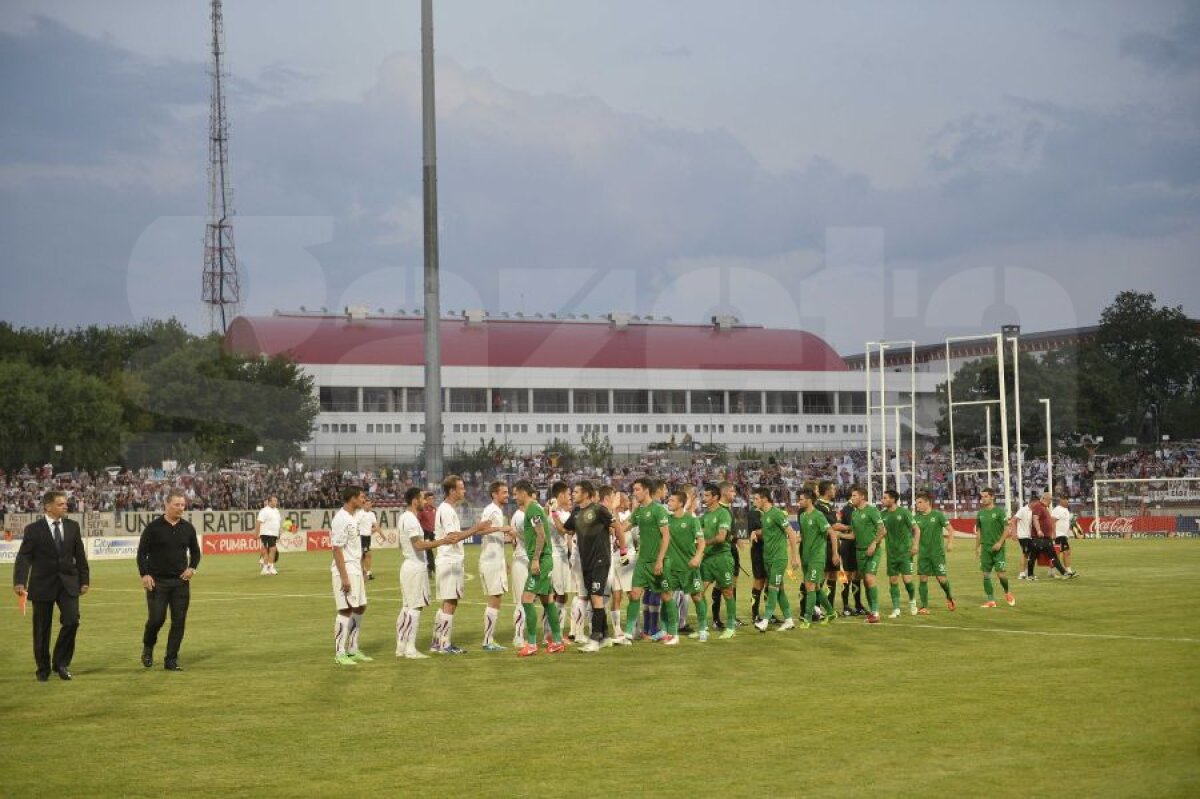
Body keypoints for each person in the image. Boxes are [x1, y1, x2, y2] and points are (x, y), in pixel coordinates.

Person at [12, 490, 89, 681]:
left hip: (68, 583)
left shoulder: (73, 526)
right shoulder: (33, 529)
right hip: (42, 584)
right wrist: (20, 581)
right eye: (61, 504)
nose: (66, 506)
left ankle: (61, 663)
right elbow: (24, 557)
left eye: (65, 503)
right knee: (41, 629)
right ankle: (43, 668)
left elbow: (80, 555)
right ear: (48, 507)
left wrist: (85, 580)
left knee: (72, 620)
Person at [395, 487, 466, 660]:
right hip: (415, 566)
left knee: (406, 608)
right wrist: (442, 541)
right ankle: (410, 649)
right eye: (422, 498)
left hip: (409, 565)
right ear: (414, 500)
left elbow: (403, 544)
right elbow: (418, 545)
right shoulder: (411, 519)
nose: (425, 501)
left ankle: (401, 646)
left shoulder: (404, 517)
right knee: (414, 608)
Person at [432, 474, 498, 654]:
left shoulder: (448, 509)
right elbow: (453, 537)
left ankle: (437, 641)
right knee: (450, 601)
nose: (464, 491)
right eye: (461, 488)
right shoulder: (446, 510)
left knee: (448, 600)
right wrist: (477, 528)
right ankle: (444, 644)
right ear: (452, 491)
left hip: (450, 560)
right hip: (449, 560)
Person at [137, 489, 201, 671]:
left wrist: (192, 568)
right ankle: (148, 647)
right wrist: (145, 574)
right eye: (177, 505)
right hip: (157, 582)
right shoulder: (153, 528)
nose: (181, 508)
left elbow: (196, 552)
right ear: (166, 505)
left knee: (179, 621)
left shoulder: (188, 528)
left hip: (180, 583)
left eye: (183, 505)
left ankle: (171, 660)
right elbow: (141, 553)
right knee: (156, 619)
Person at [566, 481, 624, 653]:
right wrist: (552, 513)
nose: (573, 494)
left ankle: (594, 639)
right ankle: (605, 636)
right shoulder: (576, 512)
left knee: (596, 597)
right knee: (593, 598)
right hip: (586, 561)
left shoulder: (599, 510)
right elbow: (566, 529)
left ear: (586, 494)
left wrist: (624, 549)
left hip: (601, 560)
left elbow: (618, 527)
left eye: (576, 491)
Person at [615, 477, 674, 645]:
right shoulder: (639, 511)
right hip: (642, 561)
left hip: (657, 560)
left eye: (637, 490)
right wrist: (613, 510)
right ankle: (627, 634)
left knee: (665, 595)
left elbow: (666, 536)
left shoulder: (658, 510)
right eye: (634, 490)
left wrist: (660, 560)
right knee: (634, 595)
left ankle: (671, 632)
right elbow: (621, 528)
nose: (635, 493)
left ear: (647, 490)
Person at [515, 480, 565, 656]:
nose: (515, 497)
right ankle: (557, 641)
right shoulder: (534, 509)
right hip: (543, 560)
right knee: (547, 600)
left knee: (527, 599)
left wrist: (535, 559)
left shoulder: (533, 509)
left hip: (541, 561)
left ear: (523, 493)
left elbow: (541, 535)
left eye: (516, 493)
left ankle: (532, 643)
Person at [331, 485, 372, 666]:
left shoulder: (353, 518)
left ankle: (353, 648)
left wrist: (362, 569)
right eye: (361, 497)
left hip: (355, 568)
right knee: (346, 610)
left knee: (361, 607)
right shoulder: (341, 518)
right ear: (352, 498)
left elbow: (354, 548)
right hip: (345, 570)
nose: (363, 500)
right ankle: (340, 653)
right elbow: (337, 549)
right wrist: (344, 577)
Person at [751, 486, 801, 632]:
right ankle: (789, 620)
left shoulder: (777, 514)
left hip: (778, 558)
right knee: (779, 590)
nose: (754, 501)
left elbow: (791, 534)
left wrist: (794, 557)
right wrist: (755, 532)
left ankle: (765, 621)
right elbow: (767, 531)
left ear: (765, 499)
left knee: (772, 588)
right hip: (768, 558)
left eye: (756, 499)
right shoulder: (764, 515)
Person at [664, 488, 707, 642]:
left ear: (681, 503)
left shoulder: (691, 520)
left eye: (672, 500)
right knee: (668, 597)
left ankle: (702, 629)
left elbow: (701, 543)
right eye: (668, 500)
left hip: (689, 567)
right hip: (671, 568)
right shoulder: (666, 520)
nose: (669, 502)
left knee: (696, 597)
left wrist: (697, 557)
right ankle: (673, 633)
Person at [477, 481, 516, 652]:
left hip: (495, 559)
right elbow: (480, 530)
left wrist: (504, 561)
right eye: (504, 492)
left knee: (496, 598)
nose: (507, 495)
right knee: (494, 598)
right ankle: (487, 640)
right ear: (494, 494)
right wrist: (502, 528)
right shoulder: (491, 510)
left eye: (507, 492)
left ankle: (489, 639)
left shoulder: (496, 510)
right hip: (490, 561)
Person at [793, 488, 838, 628]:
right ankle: (831, 612)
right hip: (805, 556)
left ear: (808, 500)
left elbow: (832, 533)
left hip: (817, 557)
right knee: (816, 587)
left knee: (810, 586)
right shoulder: (802, 516)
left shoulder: (818, 515)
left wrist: (835, 553)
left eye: (801, 499)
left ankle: (807, 619)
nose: (798, 502)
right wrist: (794, 540)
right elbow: (804, 536)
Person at [700, 482, 737, 639]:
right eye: (703, 495)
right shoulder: (705, 515)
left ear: (715, 497)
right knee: (698, 593)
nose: (704, 498)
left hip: (722, 558)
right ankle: (702, 628)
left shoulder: (723, 514)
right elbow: (696, 531)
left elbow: (722, 537)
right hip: (707, 559)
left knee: (727, 591)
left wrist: (703, 543)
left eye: (707, 495)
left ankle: (730, 627)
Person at [848, 486, 886, 623]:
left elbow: (882, 530)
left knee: (869, 579)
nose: (851, 498)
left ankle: (875, 613)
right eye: (851, 496)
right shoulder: (854, 513)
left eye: (854, 496)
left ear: (862, 497)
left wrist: (874, 543)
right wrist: (838, 534)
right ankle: (872, 611)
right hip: (859, 551)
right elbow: (853, 535)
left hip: (872, 551)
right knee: (865, 581)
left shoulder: (872, 510)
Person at [913, 491, 955, 614]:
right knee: (923, 578)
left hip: (937, 554)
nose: (917, 505)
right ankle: (924, 606)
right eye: (916, 503)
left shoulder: (937, 515)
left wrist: (950, 543)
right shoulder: (916, 518)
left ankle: (949, 596)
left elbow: (950, 530)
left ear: (927, 502)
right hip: (923, 554)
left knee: (941, 579)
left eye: (920, 502)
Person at [880, 489, 920, 618]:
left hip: (905, 552)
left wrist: (915, 545)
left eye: (885, 498)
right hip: (891, 553)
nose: (883, 500)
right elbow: (881, 531)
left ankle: (913, 601)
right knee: (893, 580)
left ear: (892, 499)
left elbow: (916, 529)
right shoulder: (883, 514)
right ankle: (896, 608)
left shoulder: (904, 512)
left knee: (907, 580)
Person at [976, 487, 1016, 608]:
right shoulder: (980, 513)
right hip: (985, 549)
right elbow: (979, 532)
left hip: (998, 549)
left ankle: (1007, 592)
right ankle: (991, 601)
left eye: (985, 496)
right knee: (986, 575)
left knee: (1001, 574)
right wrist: (977, 547)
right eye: (982, 496)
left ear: (992, 497)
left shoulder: (999, 512)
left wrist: (999, 543)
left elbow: (1006, 529)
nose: (983, 499)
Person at [605, 488, 635, 643]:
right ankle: (618, 629)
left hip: (627, 556)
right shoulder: (612, 514)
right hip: (615, 557)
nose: (629, 501)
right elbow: (613, 530)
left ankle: (631, 628)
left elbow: (621, 528)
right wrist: (614, 509)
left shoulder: (629, 515)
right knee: (616, 595)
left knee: (632, 594)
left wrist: (614, 510)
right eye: (627, 499)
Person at [816, 480, 851, 616]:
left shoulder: (829, 506)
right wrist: (850, 527)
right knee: (822, 577)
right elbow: (833, 526)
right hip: (824, 546)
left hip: (832, 545)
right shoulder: (820, 506)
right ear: (827, 491)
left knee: (833, 575)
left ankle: (829, 607)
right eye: (833, 489)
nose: (835, 491)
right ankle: (816, 607)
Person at [1025, 493, 1073, 580]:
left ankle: (1030, 575)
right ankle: (1030, 575)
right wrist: (1039, 530)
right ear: (1045, 498)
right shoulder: (1038, 506)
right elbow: (1035, 518)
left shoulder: (1044, 507)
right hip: (1039, 537)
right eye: (1050, 499)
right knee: (1036, 556)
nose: (1051, 501)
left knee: (1049, 556)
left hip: (1045, 537)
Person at [509, 500, 528, 648]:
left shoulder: (524, 515)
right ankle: (518, 636)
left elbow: (513, 542)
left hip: (526, 560)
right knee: (522, 601)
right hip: (522, 561)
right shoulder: (519, 516)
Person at [1050, 495, 1077, 575]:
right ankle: (1068, 570)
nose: (1068, 502)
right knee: (1066, 552)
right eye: (1066, 500)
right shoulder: (1058, 510)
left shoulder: (1065, 509)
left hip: (1063, 535)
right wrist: (1054, 533)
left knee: (1057, 553)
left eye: (1068, 500)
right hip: (1059, 535)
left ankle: (1051, 571)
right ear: (1061, 500)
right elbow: (1052, 521)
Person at [255, 495, 281, 575]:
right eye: (274, 501)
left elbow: (278, 522)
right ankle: (269, 567)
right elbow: (258, 522)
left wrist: (278, 533)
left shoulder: (276, 511)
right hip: (266, 533)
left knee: (269, 551)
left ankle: (266, 568)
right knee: (271, 550)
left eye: (276, 501)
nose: (276, 502)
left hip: (273, 534)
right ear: (269, 502)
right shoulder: (264, 511)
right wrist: (256, 534)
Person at [358, 495, 380, 581]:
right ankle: (367, 573)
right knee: (367, 555)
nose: (369, 506)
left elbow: (375, 525)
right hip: (361, 537)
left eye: (370, 504)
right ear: (363, 505)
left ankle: (364, 572)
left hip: (367, 537)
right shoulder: (360, 514)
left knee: (364, 556)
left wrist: (373, 530)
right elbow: (356, 524)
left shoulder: (372, 514)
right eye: (367, 504)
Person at [418, 491, 437, 577]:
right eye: (429, 499)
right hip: (426, 533)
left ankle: (433, 567)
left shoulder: (435, 509)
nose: (431, 501)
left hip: (434, 532)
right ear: (425, 500)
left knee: (442, 548)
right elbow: (417, 521)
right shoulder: (422, 510)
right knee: (428, 551)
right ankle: (431, 568)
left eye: (432, 499)